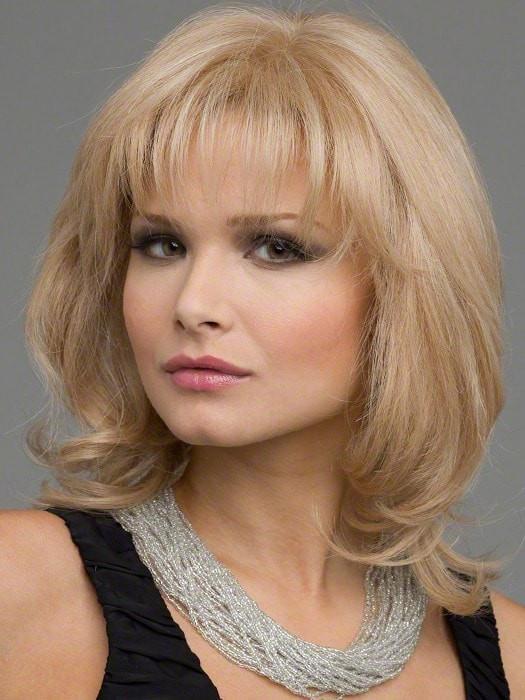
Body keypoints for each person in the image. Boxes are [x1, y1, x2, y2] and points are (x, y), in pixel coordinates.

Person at [1, 3, 523, 698]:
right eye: (163, 244)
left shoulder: (514, 657)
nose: (194, 304)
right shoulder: (20, 595)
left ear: (406, 291)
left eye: (276, 248)